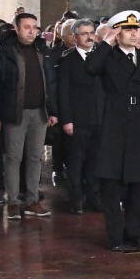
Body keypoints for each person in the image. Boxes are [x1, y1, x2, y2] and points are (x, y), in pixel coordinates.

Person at [88, 11, 140, 253]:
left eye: (135, 29)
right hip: (114, 126)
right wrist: (106, 43)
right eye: (127, 30)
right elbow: (91, 67)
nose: (133, 33)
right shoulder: (108, 57)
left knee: (139, 186)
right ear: (117, 33)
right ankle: (115, 236)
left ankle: (135, 234)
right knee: (113, 185)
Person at [0, 12, 58, 219]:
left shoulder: (42, 50)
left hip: (39, 112)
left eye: (34, 27)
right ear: (16, 29)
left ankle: (32, 200)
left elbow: (51, 82)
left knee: (35, 157)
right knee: (13, 157)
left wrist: (53, 110)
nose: (31, 31)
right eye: (26, 27)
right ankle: (12, 201)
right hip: (14, 112)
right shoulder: (3, 51)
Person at [55, 20, 105, 213]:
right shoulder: (67, 61)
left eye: (91, 32)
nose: (89, 37)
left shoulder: (101, 59)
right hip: (77, 120)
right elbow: (63, 93)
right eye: (84, 33)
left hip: (99, 118)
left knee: (95, 161)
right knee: (75, 162)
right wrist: (67, 119)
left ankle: (94, 197)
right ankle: (76, 199)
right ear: (75, 37)